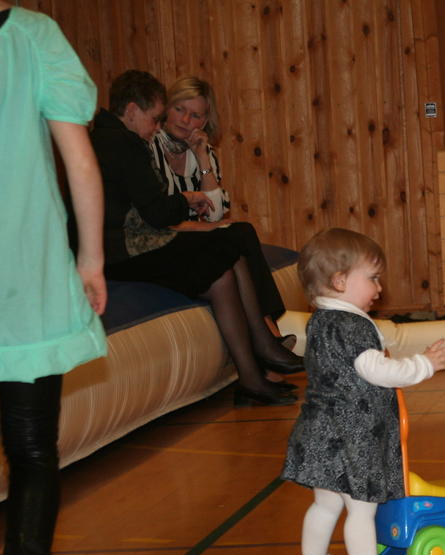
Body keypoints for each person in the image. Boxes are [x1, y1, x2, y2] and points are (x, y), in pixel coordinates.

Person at [0, 1, 107, 555]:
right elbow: (80, 164)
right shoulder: (34, 37)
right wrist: (89, 259)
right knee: (33, 450)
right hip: (25, 276)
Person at [89, 69, 302, 407]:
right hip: (126, 249)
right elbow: (158, 214)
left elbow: (165, 210)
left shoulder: (111, 138)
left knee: (223, 270)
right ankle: (264, 344)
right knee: (231, 243)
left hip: (128, 243)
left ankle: (251, 377)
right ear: (131, 110)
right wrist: (186, 201)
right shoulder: (124, 143)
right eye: (156, 118)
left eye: (196, 114)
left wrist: (194, 184)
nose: (158, 126)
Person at [282, 228, 445, 555]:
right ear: (340, 281)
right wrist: (424, 364)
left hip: (318, 429)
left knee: (326, 502)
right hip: (353, 436)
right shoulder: (353, 324)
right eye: (373, 278)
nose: (379, 288)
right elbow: (376, 371)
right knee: (362, 508)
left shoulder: (319, 321)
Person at [150, 76, 290, 343]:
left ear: (203, 122)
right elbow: (158, 214)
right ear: (167, 108)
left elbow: (214, 213)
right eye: (179, 109)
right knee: (241, 233)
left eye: (194, 116)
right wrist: (202, 225)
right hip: (168, 238)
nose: (184, 120)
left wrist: (202, 157)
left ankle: (269, 335)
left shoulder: (204, 152)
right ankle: (271, 334)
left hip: (197, 236)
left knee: (240, 234)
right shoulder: (149, 146)